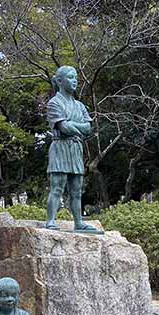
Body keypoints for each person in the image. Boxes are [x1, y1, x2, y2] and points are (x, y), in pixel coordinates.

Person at [45, 65, 99, 232]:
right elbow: (63, 128)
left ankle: (79, 222)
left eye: (76, 77)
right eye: (70, 77)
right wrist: (77, 128)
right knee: (57, 187)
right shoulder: (54, 103)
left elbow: (88, 128)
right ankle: (51, 220)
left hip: (75, 149)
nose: (75, 80)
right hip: (60, 147)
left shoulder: (80, 106)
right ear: (60, 81)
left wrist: (72, 126)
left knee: (76, 189)